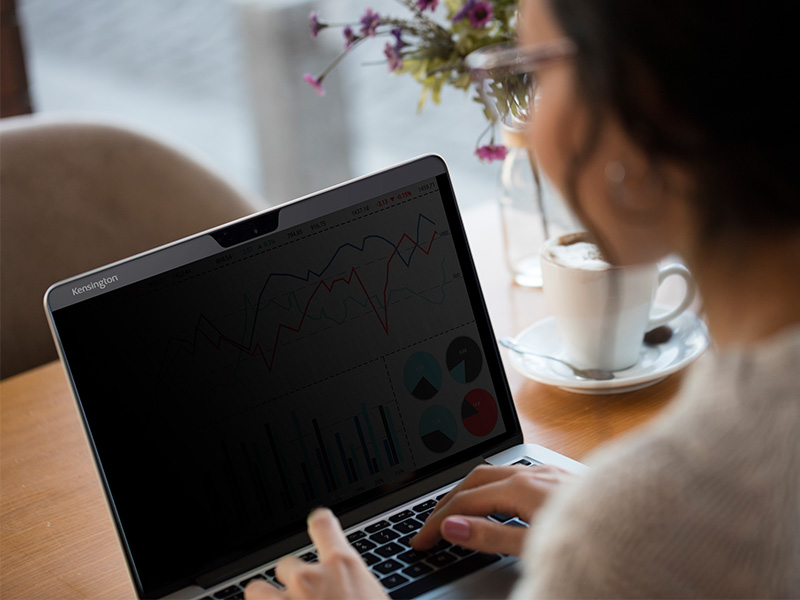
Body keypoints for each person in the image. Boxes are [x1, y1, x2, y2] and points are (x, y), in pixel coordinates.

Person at [245, 0, 800, 597]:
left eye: (534, 73)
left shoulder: (645, 533)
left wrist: (611, 538)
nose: (526, 128)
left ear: (644, 113)